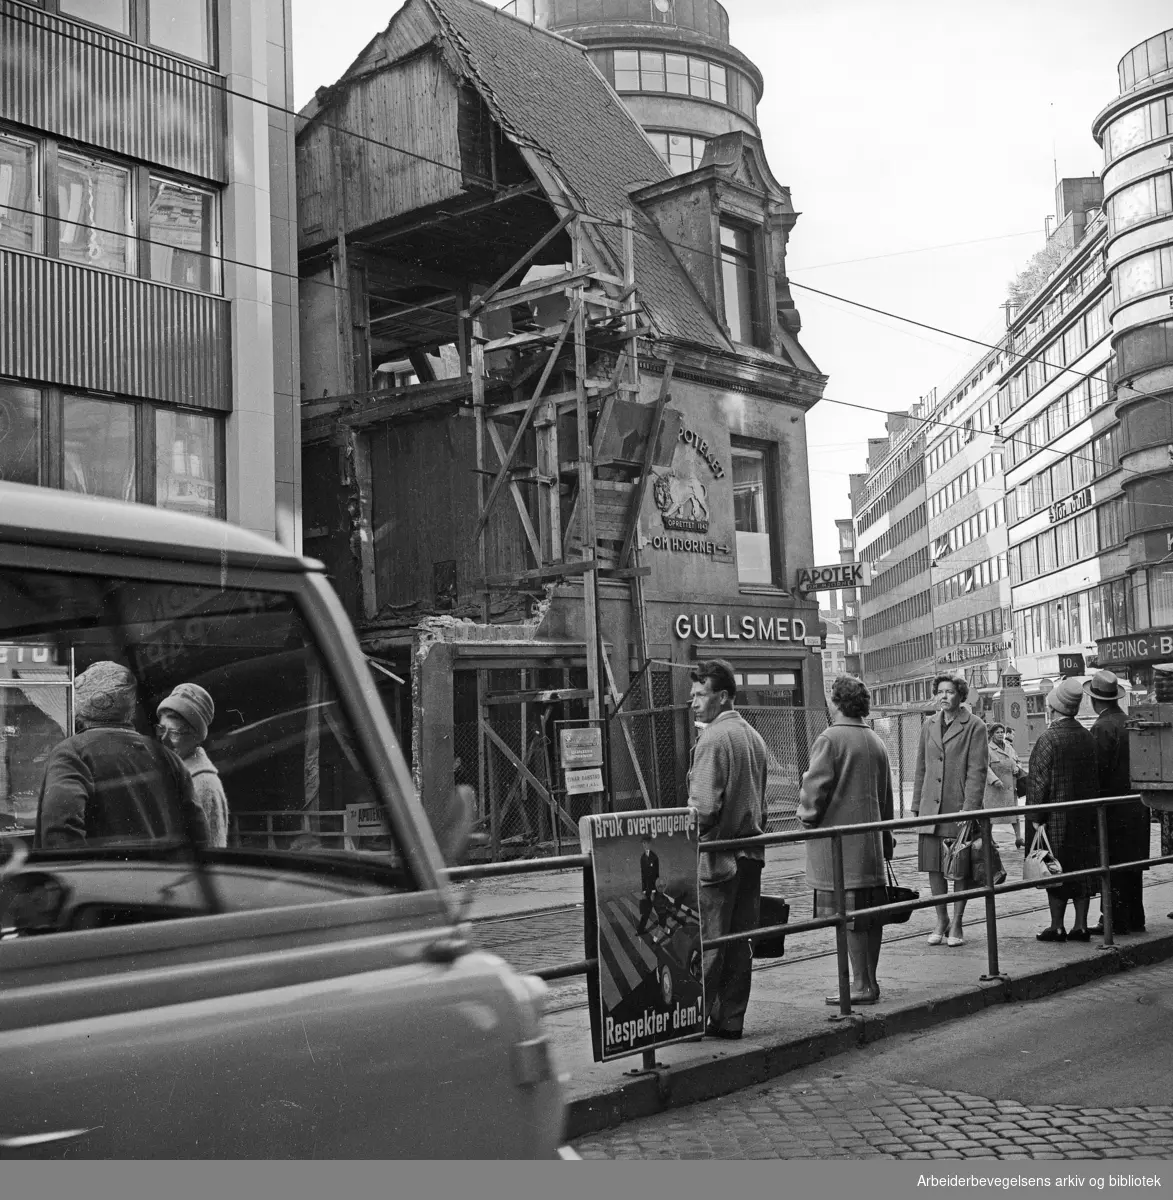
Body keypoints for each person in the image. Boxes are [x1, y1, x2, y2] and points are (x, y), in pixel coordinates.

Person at [35, 661, 208, 849]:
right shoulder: (169, 758)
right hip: (167, 877)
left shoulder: (72, 753)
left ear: (80, 706)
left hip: (107, 877)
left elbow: (59, 833)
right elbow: (199, 834)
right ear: (130, 706)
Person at [797, 675, 895, 1006]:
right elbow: (887, 798)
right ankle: (870, 981)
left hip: (839, 848)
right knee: (870, 916)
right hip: (871, 846)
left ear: (836, 702)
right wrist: (887, 840)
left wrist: (807, 817)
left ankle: (859, 985)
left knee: (849, 918)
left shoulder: (830, 738)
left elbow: (814, 791)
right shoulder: (876, 741)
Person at [687, 658, 768, 1041]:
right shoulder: (753, 735)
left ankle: (693, 1019)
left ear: (721, 696)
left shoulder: (713, 739)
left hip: (718, 859)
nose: (693, 702)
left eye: (700, 694)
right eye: (692, 695)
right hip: (751, 854)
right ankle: (730, 1019)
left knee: (711, 943)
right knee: (740, 944)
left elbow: (702, 810)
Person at [911, 675, 988, 947]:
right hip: (931, 808)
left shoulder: (975, 726)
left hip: (957, 808)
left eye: (950, 692)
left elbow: (977, 772)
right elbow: (920, 768)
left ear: (960, 695)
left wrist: (969, 811)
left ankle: (957, 922)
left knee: (959, 867)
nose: (944, 697)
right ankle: (941, 919)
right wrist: (915, 808)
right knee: (934, 866)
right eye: (940, 692)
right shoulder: (928, 725)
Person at [1028, 677, 1100, 942]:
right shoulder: (1087, 737)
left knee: (1054, 870)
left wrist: (1036, 818)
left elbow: (1038, 783)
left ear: (1052, 709)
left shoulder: (1048, 739)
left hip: (1056, 820)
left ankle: (1056, 925)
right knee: (1082, 871)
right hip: (1086, 817)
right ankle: (1080, 925)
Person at [1086, 670, 1149, 935]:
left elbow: (1097, 772)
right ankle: (1135, 917)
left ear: (1094, 701)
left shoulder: (1101, 727)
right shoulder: (1130, 721)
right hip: (1137, 805)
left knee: (1111, 865)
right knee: (1132, 866)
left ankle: (1113, 920)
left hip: (1111, 808)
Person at [156, 682, 229, 849]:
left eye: (174, 732)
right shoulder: (171, 771)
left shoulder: (204, 784)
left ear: (196, 736)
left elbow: (212, 853)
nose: (164, 739)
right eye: (161, 729)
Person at [985, 722, 1026, 849]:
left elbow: (1017, 760)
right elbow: (984, 767)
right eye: (997, 732)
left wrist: (1018, 768)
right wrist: (994, 780)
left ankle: (1018, 838)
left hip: (1010, 786)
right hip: (995, 788)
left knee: (1014, 813)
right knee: (991, 815)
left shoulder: (1009, 747)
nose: (1000, 734)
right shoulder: (987, 749)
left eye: (1002, 732)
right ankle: (989, 839)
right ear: (992, 734)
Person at [634, 835, 662, 936]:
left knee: (659, 908)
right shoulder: (642, 858)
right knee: (647, 910)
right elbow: (643, 876)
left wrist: (654, 892)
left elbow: (656, 875)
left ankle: (663, 925)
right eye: (643, 843)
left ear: (650, 843)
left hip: (654, 889)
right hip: (647, 890)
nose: (644, 845)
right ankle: (640, 930)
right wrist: (644, 891)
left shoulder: (654, 858)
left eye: (645, 843)